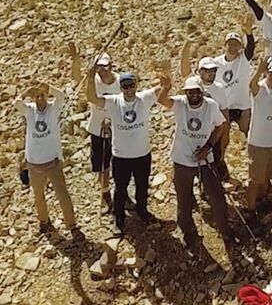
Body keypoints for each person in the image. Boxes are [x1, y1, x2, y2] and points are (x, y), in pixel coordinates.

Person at [156, 74, 232, 250]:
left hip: (206, 160)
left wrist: (209, 146)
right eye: (190, 92)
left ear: (202, 92)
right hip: (182, 160)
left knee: (217, 196)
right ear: (186, 92)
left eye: (197, 92)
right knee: (184, 200)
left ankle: (225, 231)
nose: (194, 96)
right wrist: (166, 87)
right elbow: (162, 100)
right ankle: (188, 232)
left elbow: (220, 126)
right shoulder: (181, 103)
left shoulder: (211, 106)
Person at [87, 69, 162, 235]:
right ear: (120, 87)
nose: (128, 89)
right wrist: (91, 79)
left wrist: (166, 79)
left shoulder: (144, 98)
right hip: (121, 156)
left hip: (142, 154)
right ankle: (118, 217)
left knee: (142, 186)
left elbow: (162, 89)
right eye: (125, 86)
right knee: (120, 189)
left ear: (136, 85)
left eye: (131, 85)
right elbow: (92, 98)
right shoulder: (114, 102)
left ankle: (142, 211)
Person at [16, 82, 78, 236]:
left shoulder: (53, 109)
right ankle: (44, 222)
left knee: (62, 195)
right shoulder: (29, 110)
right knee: (39, 196)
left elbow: (62, 96)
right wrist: (25, 92)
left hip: (52, 162)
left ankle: (72, 225)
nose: (40, 98)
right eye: (36, 96)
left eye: (42, 95)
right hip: (34, 163)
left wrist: (48, 87)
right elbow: (16, 103)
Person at [70, 46, 120, 215]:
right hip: (98, 129)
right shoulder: (93, 80)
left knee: (120, 163)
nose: (102, 70)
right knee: (102, 165)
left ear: (111, 66)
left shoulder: (120, 81)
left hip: (119, 129)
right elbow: (77, 78)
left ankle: (122, 192)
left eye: (105, 66)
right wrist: (76, 59)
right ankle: (105, 193)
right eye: (99, 66)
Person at [180, 45, 231, 176]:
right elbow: (185, 70)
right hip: (197, 131)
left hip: (214, 133)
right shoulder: (195, 84)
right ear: (200, 71)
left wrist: (225, 133)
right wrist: (186, 49)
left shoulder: (219, 88)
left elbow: (224, 111)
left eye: (214, 70)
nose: (211, 73)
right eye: (208, 70)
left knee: (216, 158)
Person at [247, 56, 272, 221]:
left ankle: (262, 200)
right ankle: (250, 209)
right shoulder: (261, 88)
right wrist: (258, 70)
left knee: (267, 175)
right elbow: (252, 85)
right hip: (259, 143)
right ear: (266, 73)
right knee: (255, 179)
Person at [215, 14, 257, 140]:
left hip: (243, 106)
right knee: (221, 138)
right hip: (224, 107)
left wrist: (249, 33)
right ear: (225, 45)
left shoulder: (243, 59)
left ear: (240, 46)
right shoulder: (216, 62)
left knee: (250, 136)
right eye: (230, 44)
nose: (233, 47)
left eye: (236, 45)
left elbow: (251, 48)